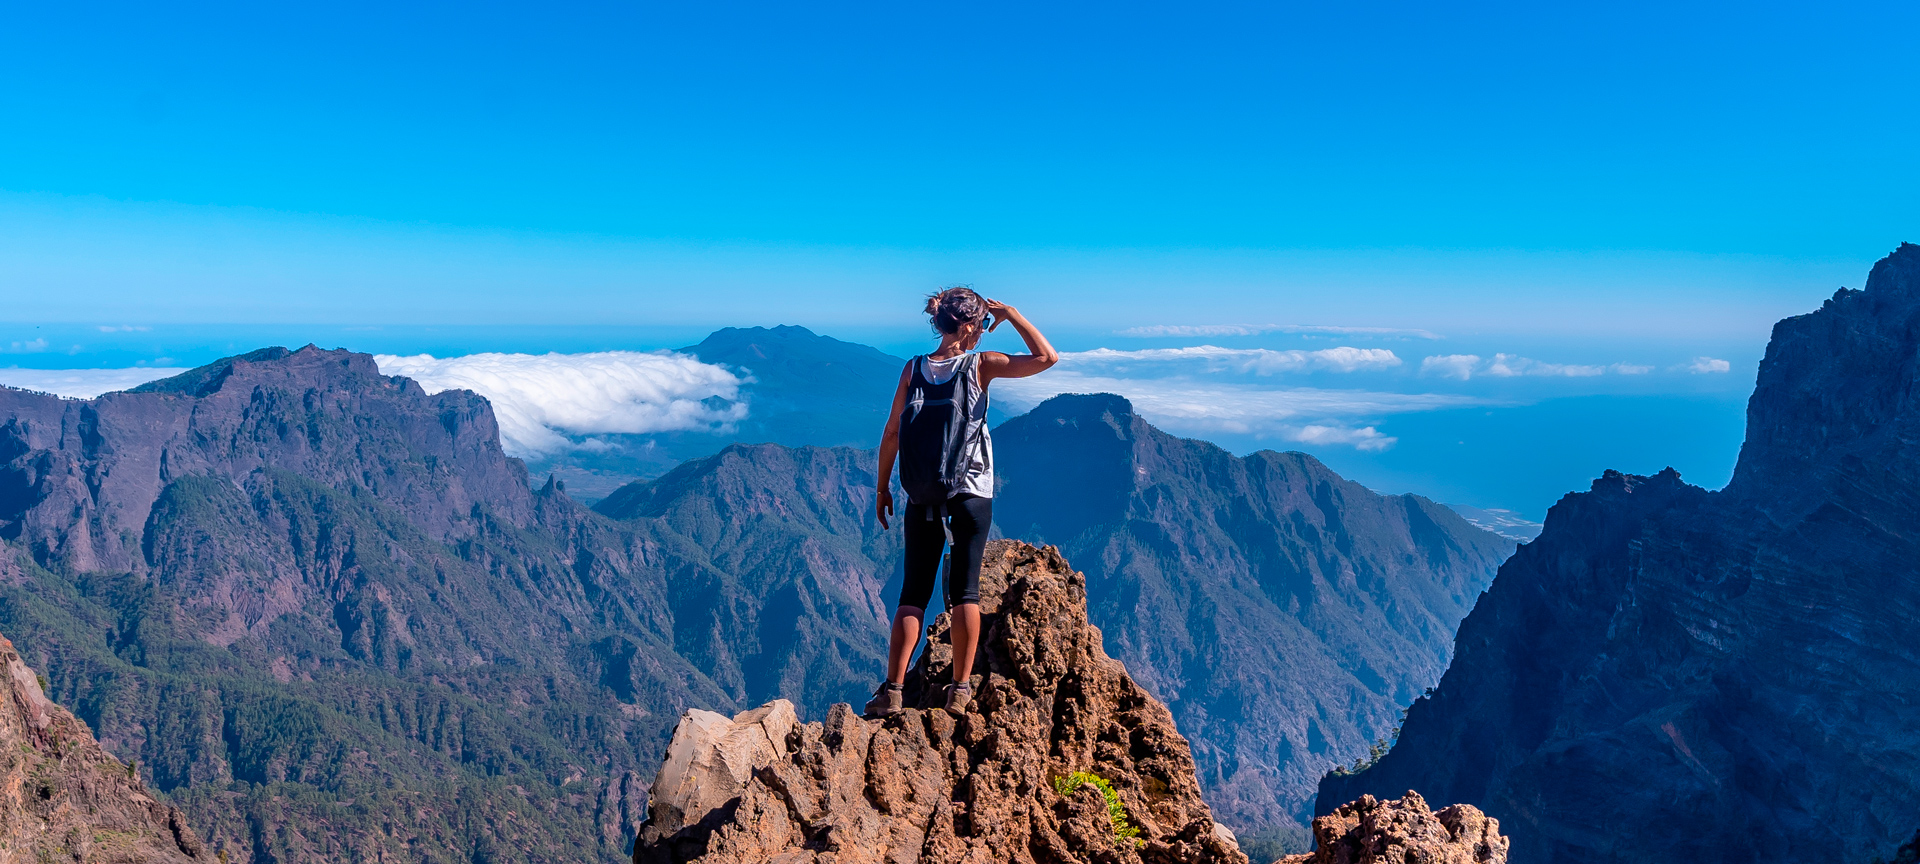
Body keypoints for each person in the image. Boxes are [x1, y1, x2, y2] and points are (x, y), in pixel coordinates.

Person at [865, 287, 1057, 718]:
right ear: (970, 324)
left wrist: (883, 488)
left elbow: (892, 433)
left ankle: (893, 692)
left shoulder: (913, 368)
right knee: (965, 591)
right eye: (981, 326)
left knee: (912, 593)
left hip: (922, 493)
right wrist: (1013, 314)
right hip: (971, 493)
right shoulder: (980, 366)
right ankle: (959, 690)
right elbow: (1047, 358)